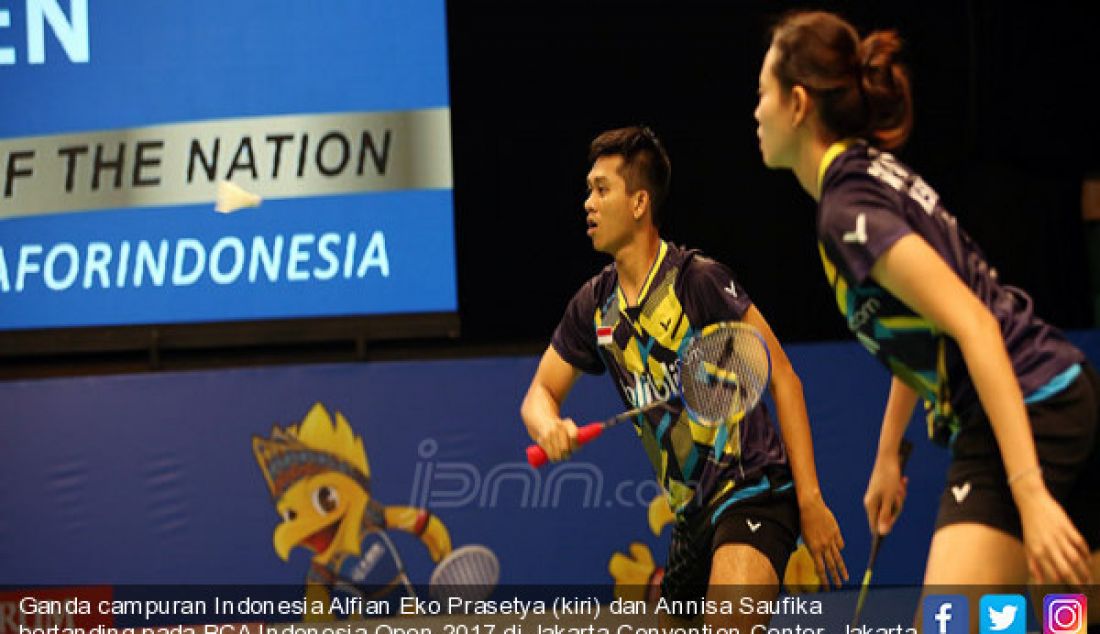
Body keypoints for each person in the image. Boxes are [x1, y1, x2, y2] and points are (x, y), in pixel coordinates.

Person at [753, 8, 1100, 607]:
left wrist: (1029, 492)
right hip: (1058, 394)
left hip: (1021, 413)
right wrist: (888, 454)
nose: (756, 111)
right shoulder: (870, 177)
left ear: (798, 103)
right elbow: (926, 327)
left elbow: (974, 323)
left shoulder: (847, 211)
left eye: (763, 93)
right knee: (1060, 618)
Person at [520, 126, 846, 625]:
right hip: (690, 518)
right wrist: (549, 427)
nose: (588, 202)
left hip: (750, 490)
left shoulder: (698, 281)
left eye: (602, 189)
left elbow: (783, 378)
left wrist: (811, 500)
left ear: (638, 203)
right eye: (589, 189)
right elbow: (539, 393)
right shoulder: (594, 306)